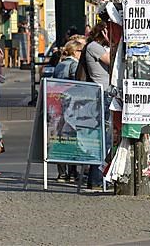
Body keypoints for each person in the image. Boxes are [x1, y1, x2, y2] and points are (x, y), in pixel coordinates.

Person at [52, 38, 85, 182]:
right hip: (71, 105)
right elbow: (77, 84)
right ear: (75, 51)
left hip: (57, 105)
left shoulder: (60, 65)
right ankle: (72, 171)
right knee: (71, 138)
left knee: (60, 137)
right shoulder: (74, 65)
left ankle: (62, 172)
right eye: (80, 51)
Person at [84, 21, 111, 189]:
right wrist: (111, 41)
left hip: (105, 93)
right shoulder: (94, 47)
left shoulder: (96, 47)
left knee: (105, 139)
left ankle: (97, 177)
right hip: (102, 94)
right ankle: (95, 178)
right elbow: (112, 61)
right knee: (104, 140)